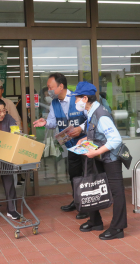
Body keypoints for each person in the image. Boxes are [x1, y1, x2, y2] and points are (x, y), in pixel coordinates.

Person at [72, 81, 126, 240]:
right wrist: (85, 139)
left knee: (117, 192)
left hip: (110, 158)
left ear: (84, 98)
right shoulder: (90, 111)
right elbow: (93, 128)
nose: (75, 102)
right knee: (93, 185)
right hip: (98, 156)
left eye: (77, 98)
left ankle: (118, 228)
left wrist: (96, 151)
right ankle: (95, 221)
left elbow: (116, 139)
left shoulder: (101, 114)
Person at [33, 73, 89, 220]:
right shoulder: (54, 103)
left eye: (51, 87)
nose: (49, 90)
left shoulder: (78, 99)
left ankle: (87, 205)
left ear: (61, 86)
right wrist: (45, 122)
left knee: (86, 174)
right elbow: (53, 122)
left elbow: (92, 118)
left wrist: (81, 128)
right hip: (70, 145)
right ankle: (77, 201)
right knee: (74, 174)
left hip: (85, 143)